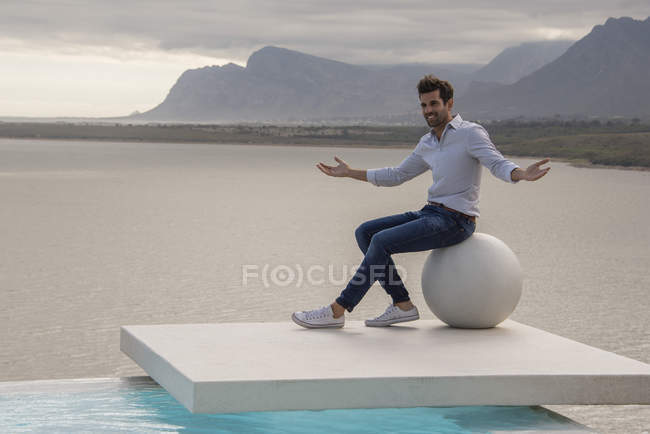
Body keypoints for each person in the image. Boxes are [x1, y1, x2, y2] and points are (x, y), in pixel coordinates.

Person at [291, 75, 550, 329]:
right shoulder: (428, 142)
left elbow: (497, 163)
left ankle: (338, 310)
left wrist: (522, 174)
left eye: (434, 104)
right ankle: (402, 304)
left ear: (449, 104)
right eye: (424, 105)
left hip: (456, 221)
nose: (428, 110)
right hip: (430, 213)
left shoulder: (470, 133)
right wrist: (350, 173)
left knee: (382, 241)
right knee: (365, 232)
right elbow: (397, 175)